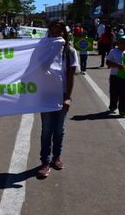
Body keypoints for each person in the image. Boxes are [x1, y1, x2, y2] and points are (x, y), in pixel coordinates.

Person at [38, 19, 78, 177]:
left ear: (65, 34)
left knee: (59, 129)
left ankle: (56, 157)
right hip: (45, 95)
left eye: (59, 32)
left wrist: (67, 97)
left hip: (61, 95)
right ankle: (45, 162)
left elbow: (71, 76)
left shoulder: (70, 51)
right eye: (52, 32)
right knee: (47, 130)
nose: (55, 34)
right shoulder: (41, 49)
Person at [105, 35, 125, 118]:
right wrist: (116, 65)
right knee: (114, 92)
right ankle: (113, 107)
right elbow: (107, 62)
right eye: (120, 42)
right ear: (117, 43)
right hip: (115, 76)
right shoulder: (113, 51)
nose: (122, 44)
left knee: (124, 94)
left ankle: (123, 111)